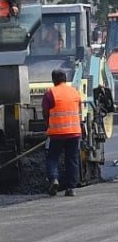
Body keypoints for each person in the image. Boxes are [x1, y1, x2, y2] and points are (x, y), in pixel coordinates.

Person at [42, 68, 82, 197]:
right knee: (72, 159)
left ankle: (54, 179)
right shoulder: (75, 92)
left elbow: (45, 112)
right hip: (74, 132)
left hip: (57, 133)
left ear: (54, 80)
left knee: (52, 157)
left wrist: (48, 126)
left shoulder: (50, 93)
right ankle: (71, 188)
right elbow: (78, 112)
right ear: (65, 79)